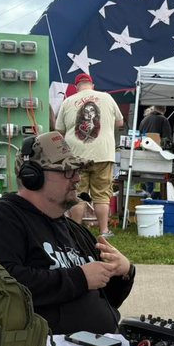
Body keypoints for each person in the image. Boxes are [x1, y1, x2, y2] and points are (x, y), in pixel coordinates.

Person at [0, 131, 135, 336]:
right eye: (67, 171)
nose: (77, 178)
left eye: (77, 170)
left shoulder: (75, 231)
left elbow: (107, 300)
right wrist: (79, 278)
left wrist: (123, 273)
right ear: (32, 176)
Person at [54, 72, 125, 237]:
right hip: (103, 154)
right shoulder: (107, 98)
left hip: (77, 155)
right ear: (92, 85)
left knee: (77, 193)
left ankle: (75, 230)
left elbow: (59, 130)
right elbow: (120, 122)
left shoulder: (68, 101)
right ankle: (104, 230)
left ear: (77, 86)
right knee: (102, 193)